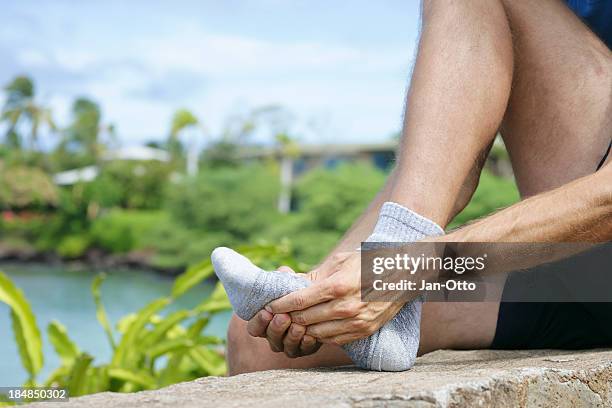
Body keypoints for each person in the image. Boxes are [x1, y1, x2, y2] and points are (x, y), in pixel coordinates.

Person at [226, 0, 612, 374]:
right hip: (577, 270)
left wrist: (411, 263)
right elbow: (446, 171)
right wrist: (326, 282)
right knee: (256, 340)